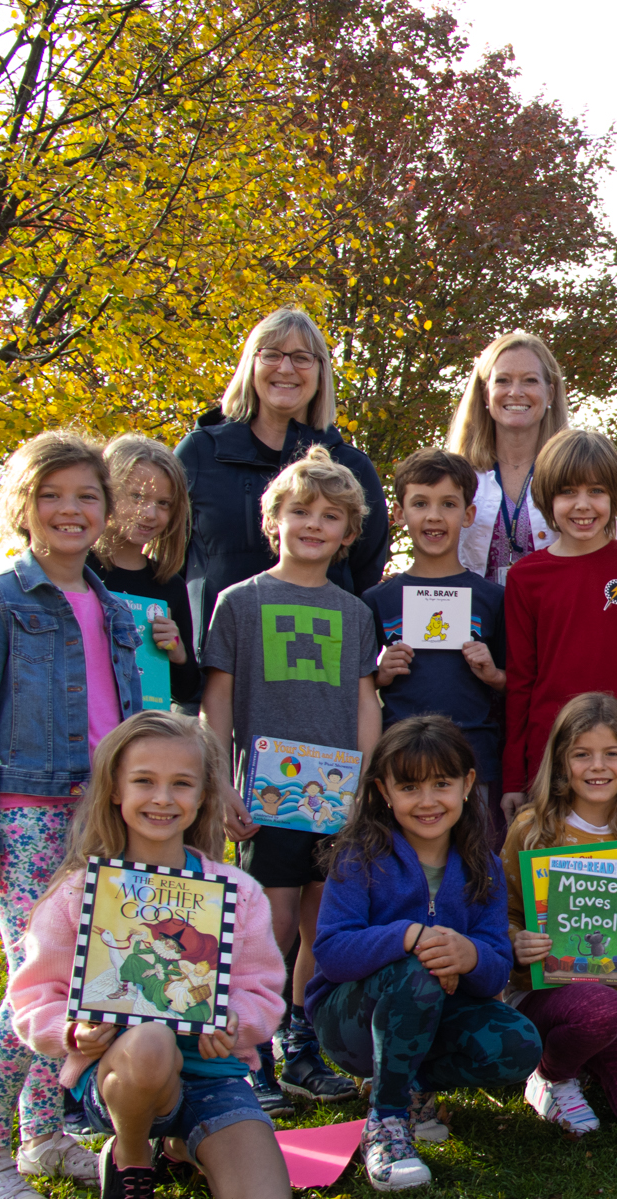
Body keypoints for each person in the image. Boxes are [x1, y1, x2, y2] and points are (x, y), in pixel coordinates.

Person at [0, 430, 143, 1199]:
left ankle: (41, 1132)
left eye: (86, 496)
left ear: (105, 509)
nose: (70, 509)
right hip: (26, 816)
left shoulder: (115, 606)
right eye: (53, 495)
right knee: (38, 985)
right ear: (24, 506)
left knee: (83, 978)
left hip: (98, 819)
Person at [6, 712, 291, 1199]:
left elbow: (265, 991)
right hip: (124, 1076)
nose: (162, 798)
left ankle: (182, 1144)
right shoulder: (79, 890)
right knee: (153, 1039)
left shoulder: (234, 891)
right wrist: (71, 1033)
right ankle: (132, 1156)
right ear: (115, 789)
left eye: (181, 784)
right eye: (144, 781)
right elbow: (32, 996)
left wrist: (234, 1025)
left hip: (212, 1077)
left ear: (204, 794)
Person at [201, 447, 382, 1112]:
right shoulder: (239, 602)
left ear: (348, 533)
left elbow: (366, 702)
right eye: (300, 510)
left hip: (336, 797)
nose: (314, 523)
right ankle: (246, 1052)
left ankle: (299, 1047)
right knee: (266, 926)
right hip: (267, 796)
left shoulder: (355, 612)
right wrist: (219, 781)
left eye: (330, 515)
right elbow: (216, 700)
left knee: (317, 923)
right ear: (272, 519)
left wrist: (367, 787)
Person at [307, 717, 542, 1191]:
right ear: (384, 791)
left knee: (520, 1044)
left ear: (467, 784)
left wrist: (468, 954)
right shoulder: (360, 856)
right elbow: (331, 952)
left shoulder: (484, 868)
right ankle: (388, 1120)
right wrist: (409, 936)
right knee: (417, 972)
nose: (428, 800)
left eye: (442, 784)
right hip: (350, 1021)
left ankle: (405, 1082)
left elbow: (496, 967)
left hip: (435, 1019)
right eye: (410, 786)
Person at [503, 693, 617, 1133]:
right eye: (582, 755)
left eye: (611, 754)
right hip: (537, 996)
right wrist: (515, 940)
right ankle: (550, 1076)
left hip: (615, 997)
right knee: (597, 1007)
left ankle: (583, 1059)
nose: (597, 767)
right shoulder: (531, 829)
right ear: (561, 762)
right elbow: (499, 917)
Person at [176, 306, 390, 653]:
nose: (285, 368)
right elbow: (168, 559)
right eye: (272, 354)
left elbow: (365, 571)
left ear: (320, 371)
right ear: (252, 364)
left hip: (317, 667)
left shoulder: (352, 468)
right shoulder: (198, 453)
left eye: (301, 358)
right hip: (213, 665)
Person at [500, 430, 617, 817]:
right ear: (548, 499)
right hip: (551, 756)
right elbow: (519, 683)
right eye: (567, 492)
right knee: (552, 869)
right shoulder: (525, 577)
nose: (583, 505)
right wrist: (514, 777)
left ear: (614, 497)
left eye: (596, 491)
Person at [366, 448, 508, 820]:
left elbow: (519, 681)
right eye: (420, 503)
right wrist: (378, 676)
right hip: (402, 763)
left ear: (468, 515)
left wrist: (493, 675)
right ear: (399, 514)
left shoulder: (493, 599)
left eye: (448, 504)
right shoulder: (376, 600)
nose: (434, 515)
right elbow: (355, 688)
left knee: (476, 866)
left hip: (474, 760)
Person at [445, 332, 568, 586]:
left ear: (551, 393)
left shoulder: (574, 474)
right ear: (484, 393)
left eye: (530, 380)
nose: (515, 392)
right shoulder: (453, 477)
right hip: (474, 621)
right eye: (502, 380)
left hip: (552, 621)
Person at [92, 435, 203, 709]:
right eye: (137, 497)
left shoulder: (168, 585)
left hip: (142, 735)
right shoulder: (79, 570)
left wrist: (178, 654)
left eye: (163, 503)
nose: (150, 513)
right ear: (106, 491)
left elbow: (188, 691)